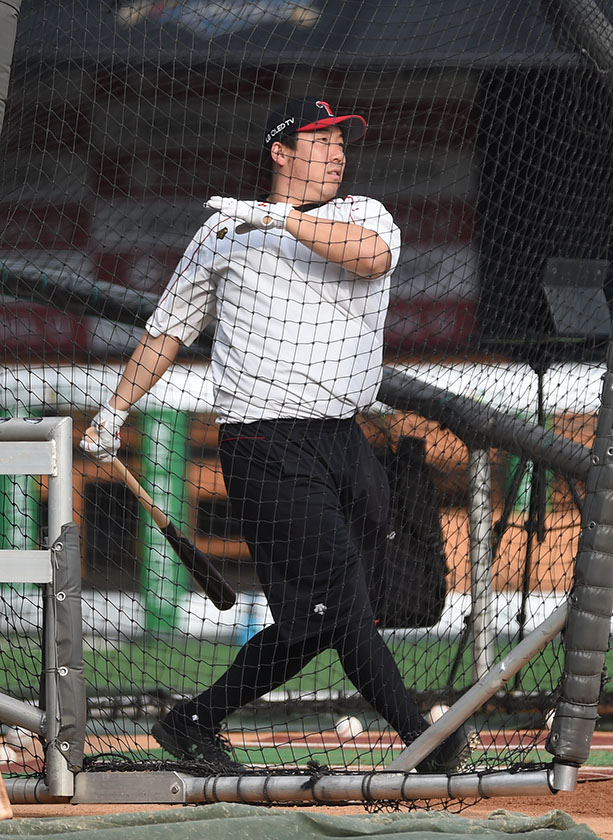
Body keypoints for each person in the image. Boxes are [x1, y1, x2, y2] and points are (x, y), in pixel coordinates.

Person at [81, 97, 470, 773]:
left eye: (341, 143)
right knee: (341, 600)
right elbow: (168, 329)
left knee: (315, 618)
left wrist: (280, 219)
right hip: (265, 443)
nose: (337, 153)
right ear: (280, 151)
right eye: (319, 142)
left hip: (346, 440)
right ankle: (426, 739)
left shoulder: (362, 213)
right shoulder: (224, 234)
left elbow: (372, 260)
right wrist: (115, 410)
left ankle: (191, 719)